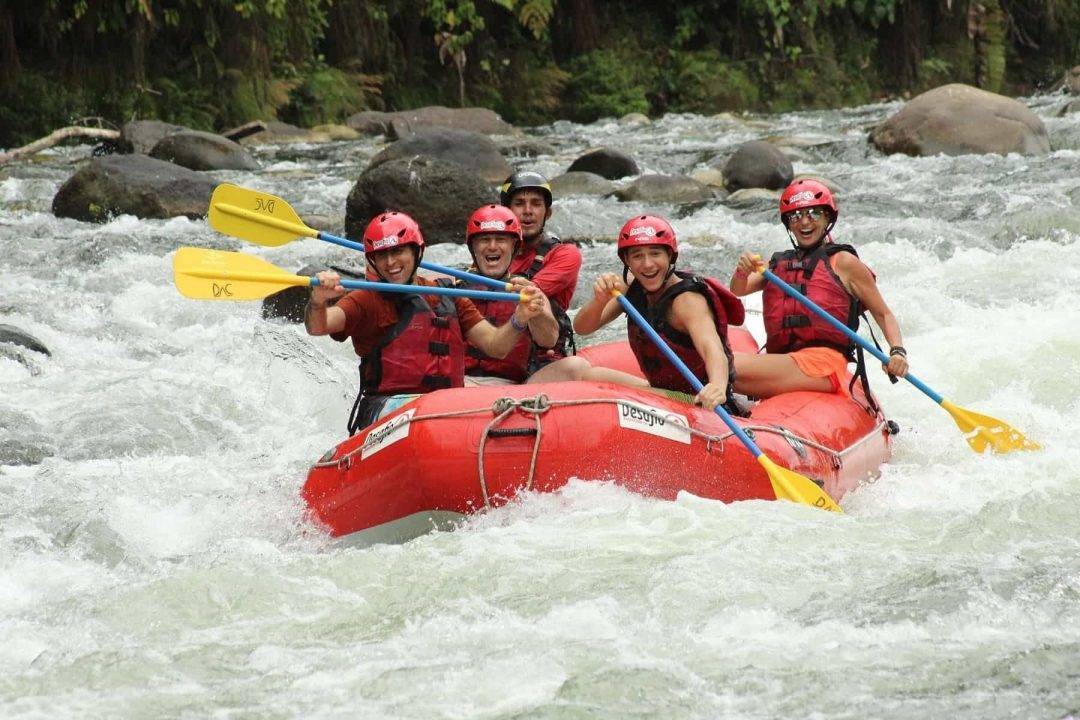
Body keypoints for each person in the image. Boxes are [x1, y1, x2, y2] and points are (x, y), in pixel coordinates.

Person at [304, 210, 557, 433]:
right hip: (387, 411)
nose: (391, 263)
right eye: (382, 255)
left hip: (445, 408)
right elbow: (319, 326)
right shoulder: (365, 299)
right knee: (434, 412)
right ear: (372, 261)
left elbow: (496, 346)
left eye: (398, 251)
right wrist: (318, 301)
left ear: (417, 252)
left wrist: (519, 319)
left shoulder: (448, 295)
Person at [729, 178, 908, 403]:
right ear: (788, 224)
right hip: (785, 362)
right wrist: (742, 271)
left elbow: (883, 313)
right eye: (796, 216)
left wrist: (897, 351)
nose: (805, 222)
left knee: (720, 363)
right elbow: (738, 289)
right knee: (720, 372)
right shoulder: (778, 264)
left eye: (813, 213)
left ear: (827, 218)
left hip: (822, 365)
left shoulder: (844, 262)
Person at [572, 215, 745, 412]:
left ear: (670, 256)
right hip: (662, 393)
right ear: (627, 260)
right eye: (637, 256)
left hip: (698, 400)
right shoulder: (631, 289)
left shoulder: (686, 300)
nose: (647, 264)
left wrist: (717, 386)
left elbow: (712, 349)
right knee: (591, 377)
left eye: (655, 254)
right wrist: (599, 300)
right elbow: (582, 328)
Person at [456, 204, 563, 386]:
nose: (492, 246)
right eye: (484, 240)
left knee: (575, 366)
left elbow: (548, 340)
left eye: (500, 240)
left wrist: (536, 312)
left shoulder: (528, 290)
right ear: (472, 247)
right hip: (462, 383)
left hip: (514, 387)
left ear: (514, 246)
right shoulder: (452, 288)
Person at [500, 171, 581, 370]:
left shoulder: (565, 254)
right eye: (519, 203)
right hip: (501, 354)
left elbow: (525, 292)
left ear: (548, 213)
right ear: (506, 211)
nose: (528, 211)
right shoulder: (492, 255)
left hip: (542, 361)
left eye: (536, 204)